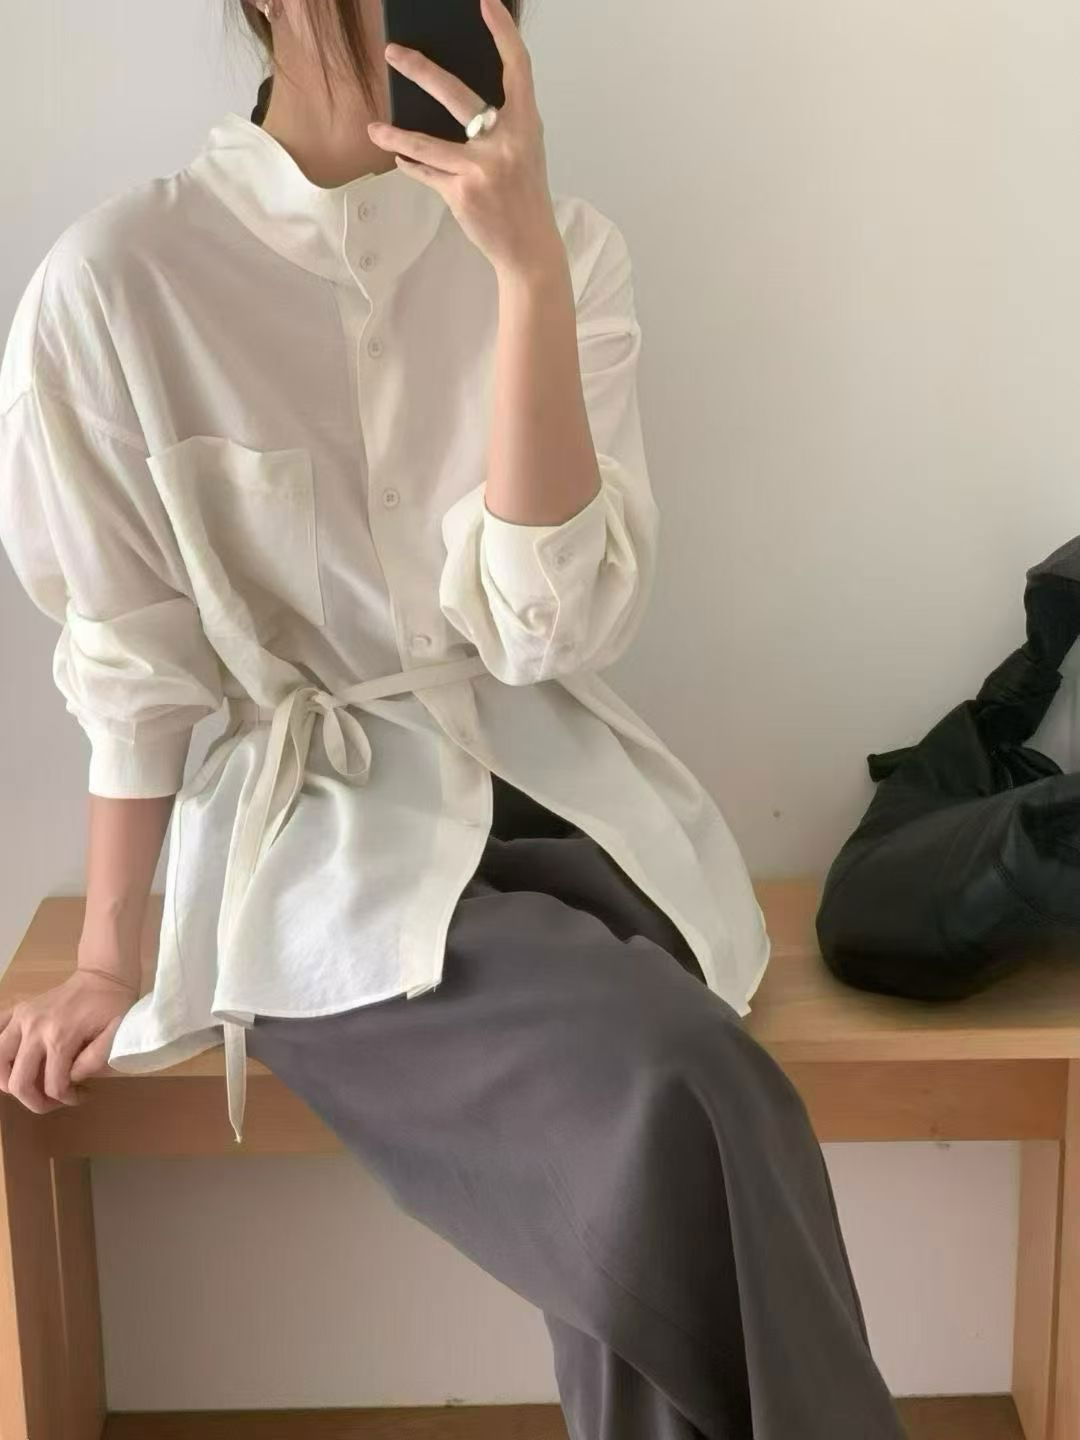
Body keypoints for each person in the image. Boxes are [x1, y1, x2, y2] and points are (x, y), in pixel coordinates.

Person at [0, 2, 909, 1435]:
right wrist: (110, 957)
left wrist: (526, 279)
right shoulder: (118, 285)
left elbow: (551, 631)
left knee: (656, 1120)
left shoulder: (568, 249)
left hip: (562, 798)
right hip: (322, 849)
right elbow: (132, 664)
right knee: (670, 1091)